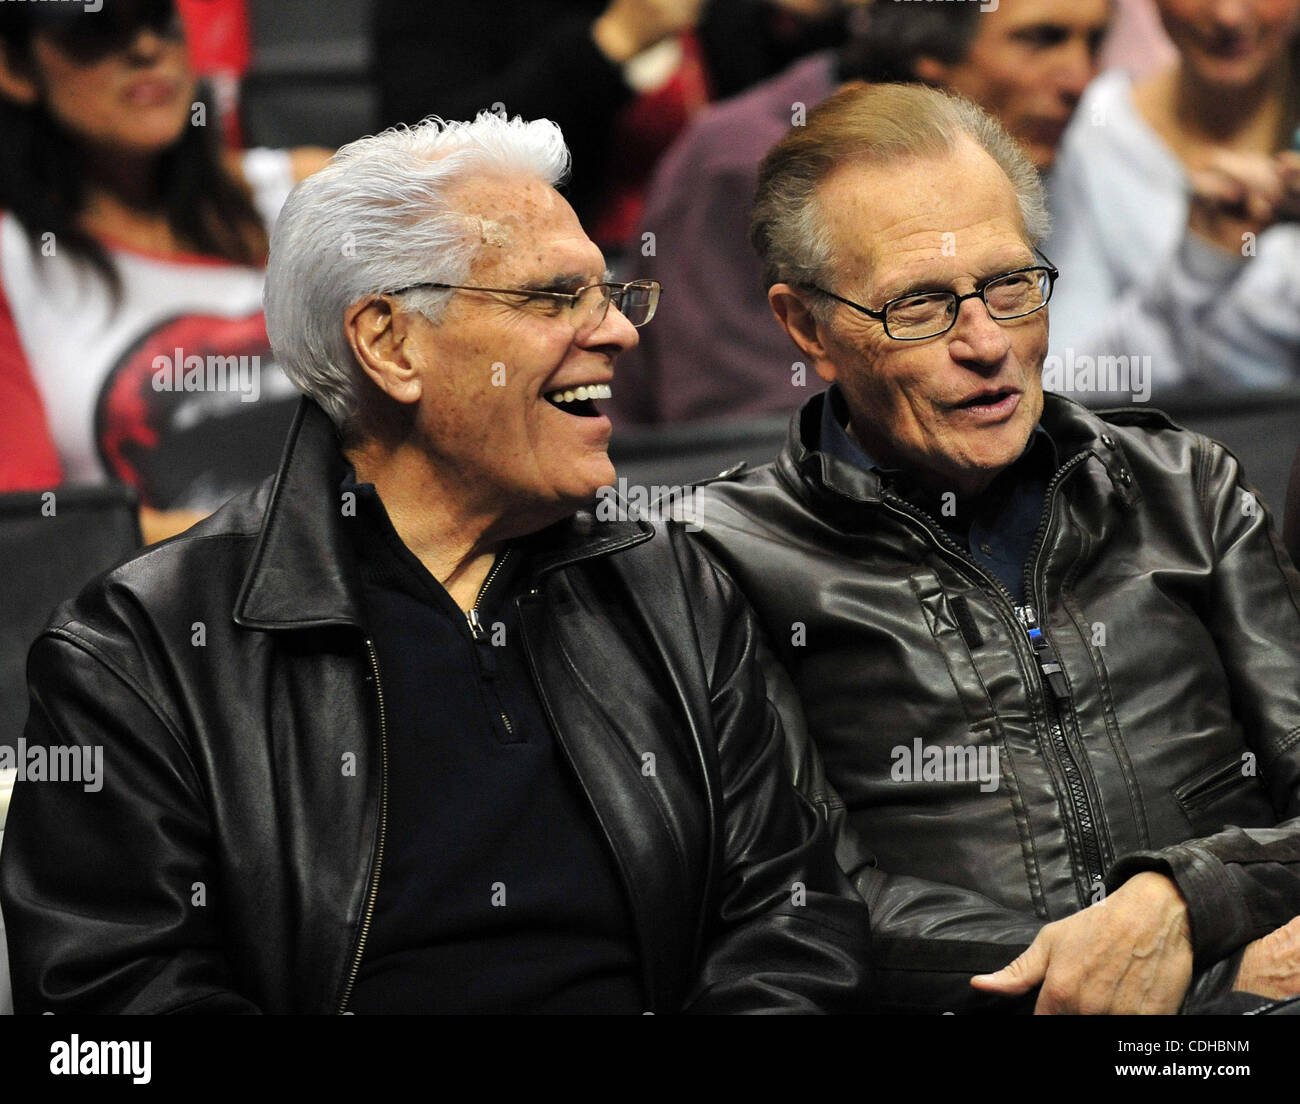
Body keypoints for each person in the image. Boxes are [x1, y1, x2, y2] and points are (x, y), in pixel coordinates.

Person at [0, 111, 871, 1015]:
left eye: (608, 294)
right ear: (390, 343)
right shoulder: (143, 651)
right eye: (553, 298)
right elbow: (109, 1003)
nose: (618, 334)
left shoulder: (672, 590)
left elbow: (793, 922)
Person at [687, 82, 1300, 1014]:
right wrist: (1175, 980)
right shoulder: (728, 559)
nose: (988, 344)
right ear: (806, 327)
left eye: (1010, 285)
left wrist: (1188, 901)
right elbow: (812, 904)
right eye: (920, 305)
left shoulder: (1183, 488)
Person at [610, 0, 1111, 426]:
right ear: (931, 50)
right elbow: (740, 427)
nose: (1080, 79)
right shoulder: (742, 163)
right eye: (1042, 39)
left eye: (1095, 42)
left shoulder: (1042, 152)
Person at [0, 0, 331, 543]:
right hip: (160, 613)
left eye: (158, 18)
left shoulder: (308, 192)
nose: (146, 49)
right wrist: (291, 538)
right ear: (14, 68)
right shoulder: (15, 264)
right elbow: (39, 534)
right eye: (96, 28)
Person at [1046, 0, 1300, 400]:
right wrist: (1198, 267)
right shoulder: (1095, 133)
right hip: (1166, 450)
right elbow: (1064, 388)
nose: (1228, 16)